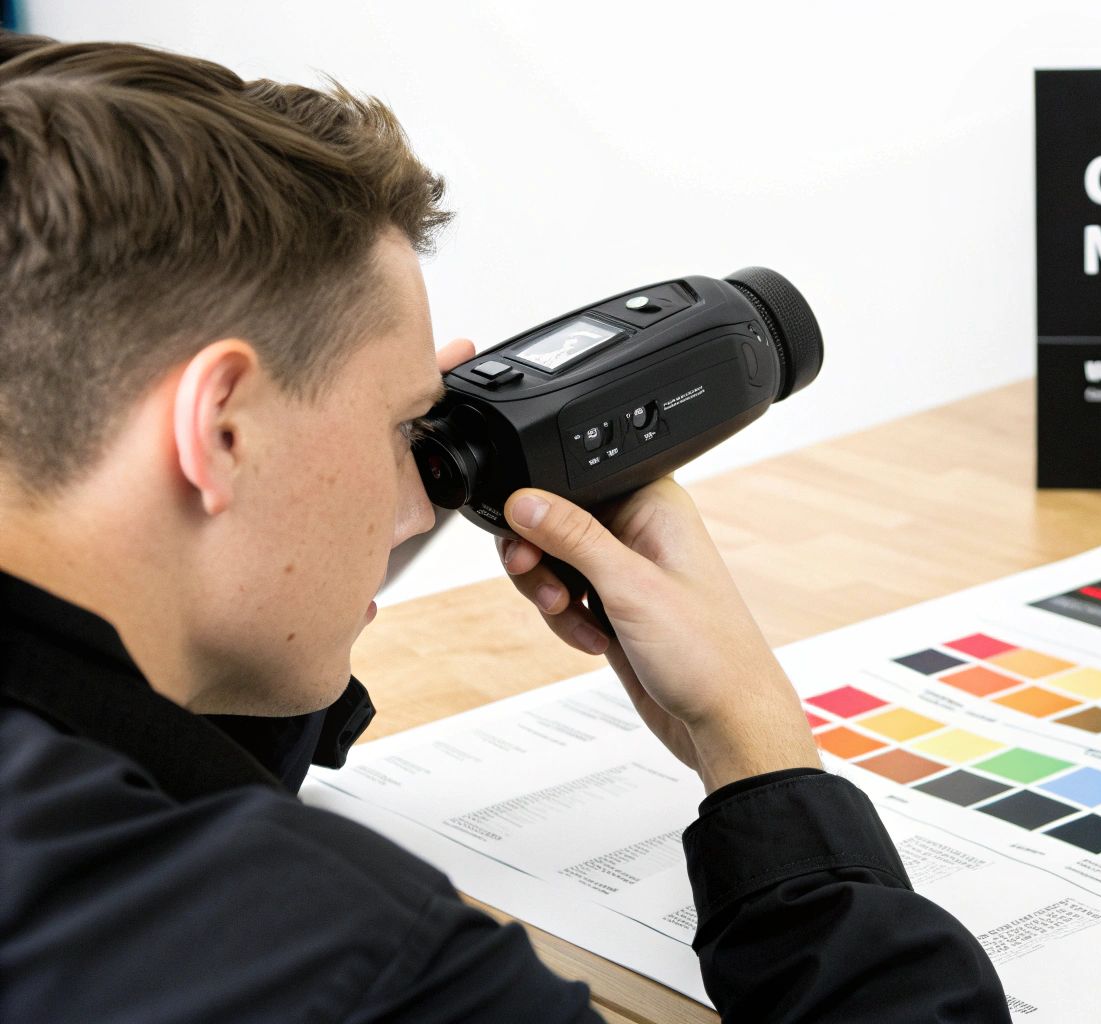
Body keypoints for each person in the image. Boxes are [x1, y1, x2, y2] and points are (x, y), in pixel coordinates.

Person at [0, 31, 1009, 1023]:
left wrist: (361, 455)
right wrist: (754, 740)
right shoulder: (361, 967)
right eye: (404, 426)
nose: (412, 493)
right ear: (220, 428)